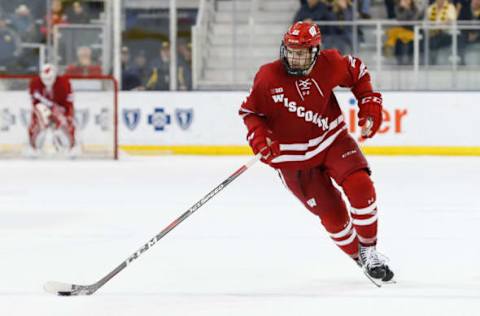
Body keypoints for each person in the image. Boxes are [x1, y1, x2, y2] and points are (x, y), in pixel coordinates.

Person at [239, 21, 394, 285]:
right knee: (333, 216)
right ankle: (359, 257)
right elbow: (251, 112)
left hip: (332, 140)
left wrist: (369, 103)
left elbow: (358, 72)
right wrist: (259, 137)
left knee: (360, 185)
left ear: (315, 51)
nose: (295, 57)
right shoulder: (268, 76)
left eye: (302, 52)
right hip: (292, 160)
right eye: (291, 51)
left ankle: (370, 251)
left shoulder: (329, 63)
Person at [29, 63, 75, 153]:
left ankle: (71, 145)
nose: (47, 81)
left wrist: (65, 116)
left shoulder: (65, 84)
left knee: (67, 124)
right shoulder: (34, 83)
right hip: (42, 109)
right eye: (45, 79)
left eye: (50, 78)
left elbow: (68, 104)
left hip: (60, 108)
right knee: (36, 124)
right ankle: (33, 146)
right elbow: (35, 104)